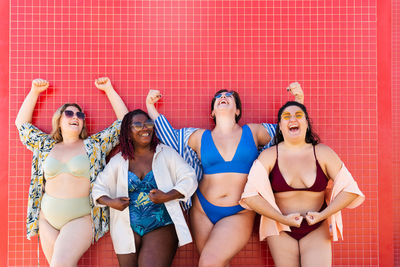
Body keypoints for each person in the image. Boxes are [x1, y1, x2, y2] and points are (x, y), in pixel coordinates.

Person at [146, 84, 304, 267]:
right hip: (202, 209)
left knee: (209, 262)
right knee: (216, 263)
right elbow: (170, 138)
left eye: (229, 96)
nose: (223, 96)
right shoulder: (199, 136)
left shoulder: (252, 132)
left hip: (240, 210)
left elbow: (286, 132)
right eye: (218, 97)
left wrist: (297, 101)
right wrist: (150, 106)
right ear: (212, 112)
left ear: (237, 110)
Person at [15, 77, 128, 266]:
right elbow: (22, 126)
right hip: (47, 219)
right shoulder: (45, 145)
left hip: (81, 218)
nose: (75, 117)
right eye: (69, 113)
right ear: (59, 120)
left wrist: (109, 89)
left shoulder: (93, 145)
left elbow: (124, 124)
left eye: (79, 115)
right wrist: (34, 92)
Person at [240, 101, 365, 267]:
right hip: (281, 228)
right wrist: (282, 219)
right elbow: (250, 196)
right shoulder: (269, 156)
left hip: (317, 228)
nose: (293, 119)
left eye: (299, 116)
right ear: (280, 126)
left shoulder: (323, 153)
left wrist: (323, 215)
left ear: (306, 123)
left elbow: (351, 190)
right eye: (287, 116)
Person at [92, 109, 197, 267]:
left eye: (148, 123)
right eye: (138, 125)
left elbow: (190, 178)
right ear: (127, 132)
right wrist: (110, 202)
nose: (145, 128)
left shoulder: (165, 153)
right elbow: (98, 188)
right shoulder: (118, 161)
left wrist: (168, 195)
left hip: (161, 225)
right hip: (126, 228)